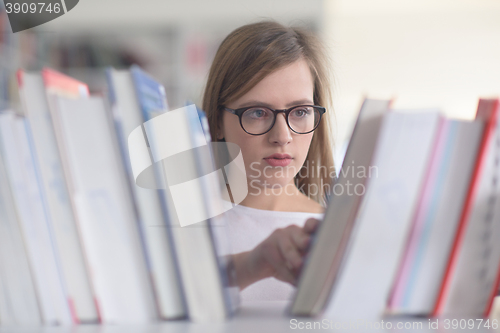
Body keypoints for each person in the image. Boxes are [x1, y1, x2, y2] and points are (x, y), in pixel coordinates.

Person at [202, 20, 336, 302]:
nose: (282, 136)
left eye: (300, 112)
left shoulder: (336, 236)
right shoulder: (183, 226)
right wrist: (250, 266)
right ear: (217, 123)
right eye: (257, 112)